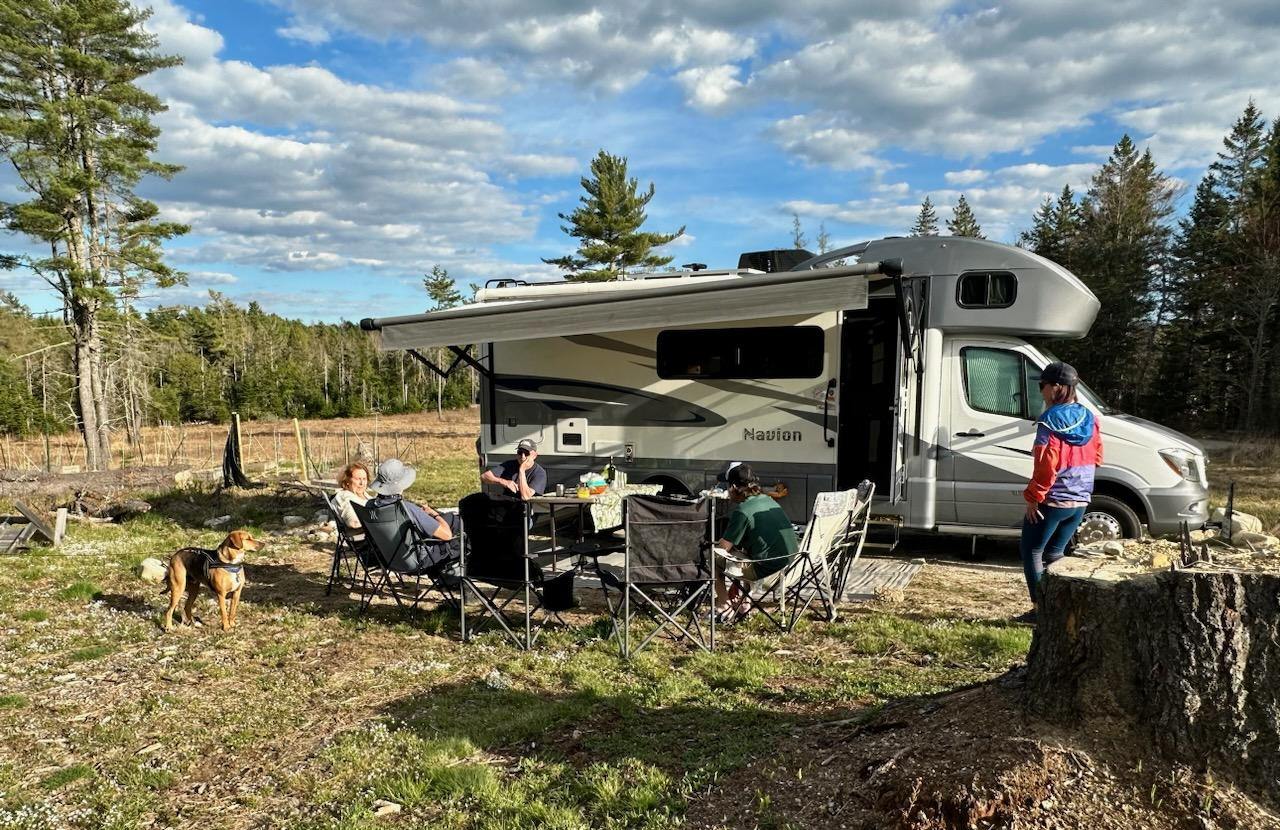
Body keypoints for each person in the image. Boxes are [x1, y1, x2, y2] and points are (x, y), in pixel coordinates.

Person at [1020, 361, 1103, 614]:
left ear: (1056, 387)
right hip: (1080, 501)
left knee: (1032, 551)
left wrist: (1034, 497)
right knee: (1056, 555)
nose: (1040, 391)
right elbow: (1097, 456)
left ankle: (1041, 612)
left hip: (1052, 501)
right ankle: (1065, 609)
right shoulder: (1089, 417)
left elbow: (1047, 465)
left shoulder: (1049, 421)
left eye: (1041, 385)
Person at [713, 463, 799, 622]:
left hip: (765, 569)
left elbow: (722, 549)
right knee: (743, 553)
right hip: (791, 564)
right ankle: (744, 602)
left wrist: (715, 544)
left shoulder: (742, 511)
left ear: (733, 487)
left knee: (712, 558)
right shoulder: (768, 499)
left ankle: (723, 606)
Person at [369, 458, 458, 543]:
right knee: (456, 522)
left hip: (389, 554)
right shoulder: (406, 509)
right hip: (421, 555)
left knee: (449, 518)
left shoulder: (371, 507)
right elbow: (447, 535)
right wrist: (434, 514)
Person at [480, 438, 546, 501]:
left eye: (526, 453)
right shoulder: (509, 464)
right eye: (520, 452)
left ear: (534, 455)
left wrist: (522, 470)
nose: (522, 457)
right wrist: (504, 482)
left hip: (527, 508)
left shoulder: (539, 473)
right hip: (507, 503)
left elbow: (526, 496)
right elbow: (484, 477)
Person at [332, 462, 371, 540]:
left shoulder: (365, 495)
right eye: (358, 479)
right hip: (363, 538)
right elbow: (353, 522)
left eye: (364, 479)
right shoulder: (345, 497)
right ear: (347, 481)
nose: (362, 483)